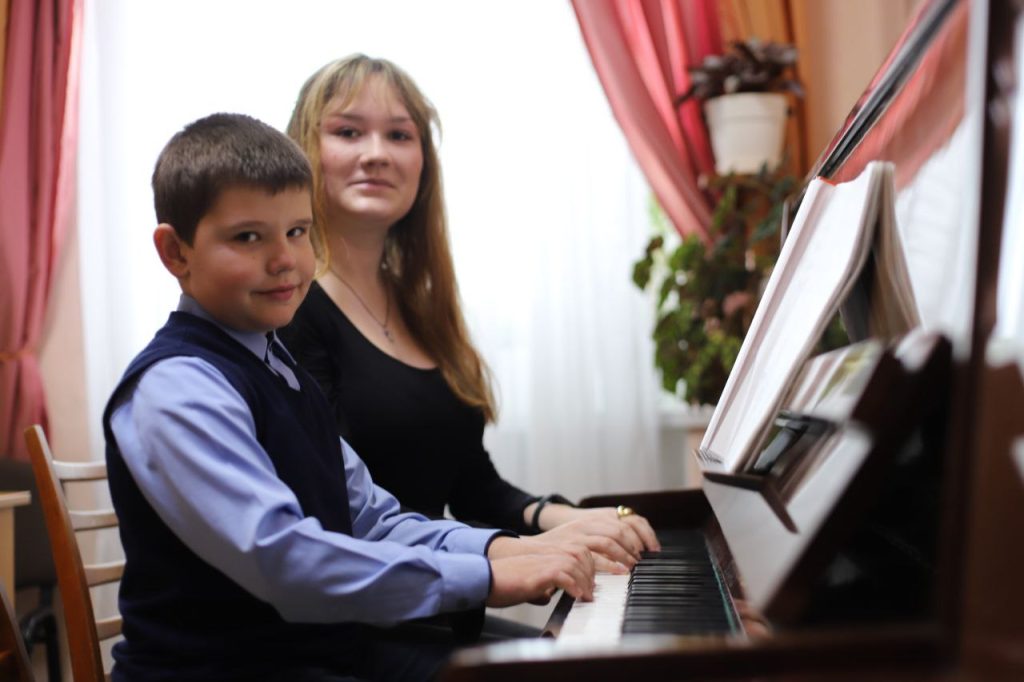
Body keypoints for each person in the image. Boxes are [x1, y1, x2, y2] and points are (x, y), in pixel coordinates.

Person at [103, 112, 596, 682]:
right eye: (248, 237)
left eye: (297, 231)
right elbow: (285, 560)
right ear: (176, 252)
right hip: (223, 670)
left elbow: (375, 520)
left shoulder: (280, 371)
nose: (284, 259)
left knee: (576, 664)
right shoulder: (177, 388)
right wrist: (486, 579)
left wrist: (507, 550)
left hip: (315, 654)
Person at [280, 54, 660, 574]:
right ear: (304, 150)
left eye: (399, 135)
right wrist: (524, 555)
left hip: (450, 602)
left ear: (423, 164)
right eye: (348, 132)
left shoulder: (421, 310)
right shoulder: (289, 313)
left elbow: (471, 486)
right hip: (376, 610)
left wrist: (566, 517)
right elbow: (338, 515)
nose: (377, 154)